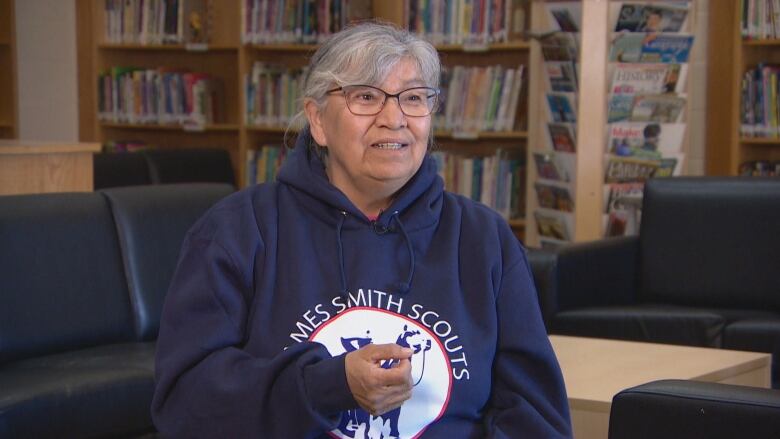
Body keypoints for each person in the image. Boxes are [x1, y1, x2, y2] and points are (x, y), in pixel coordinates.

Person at [151, 22, 572, 438]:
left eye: (413, 98)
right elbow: (186, 403)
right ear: (317, 120)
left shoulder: (484, 240)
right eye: (366, 97)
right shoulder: (237, 231)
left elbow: (535, 415)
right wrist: (326, 386)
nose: (394, 119)